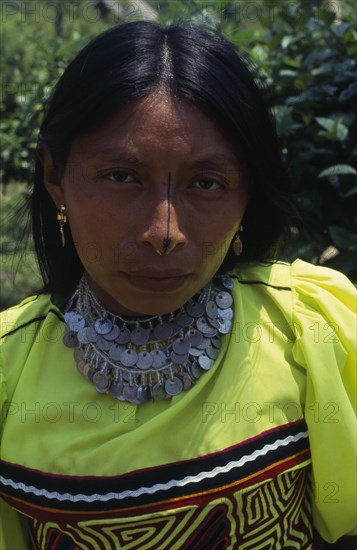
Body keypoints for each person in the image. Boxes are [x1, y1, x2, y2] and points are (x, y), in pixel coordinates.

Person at [0, 21, 355, 550]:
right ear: (56, 179)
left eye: (207, 184)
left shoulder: (313, 328)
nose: (163, 233)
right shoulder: (9, 366)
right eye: (122, 176)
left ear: (246, 195)